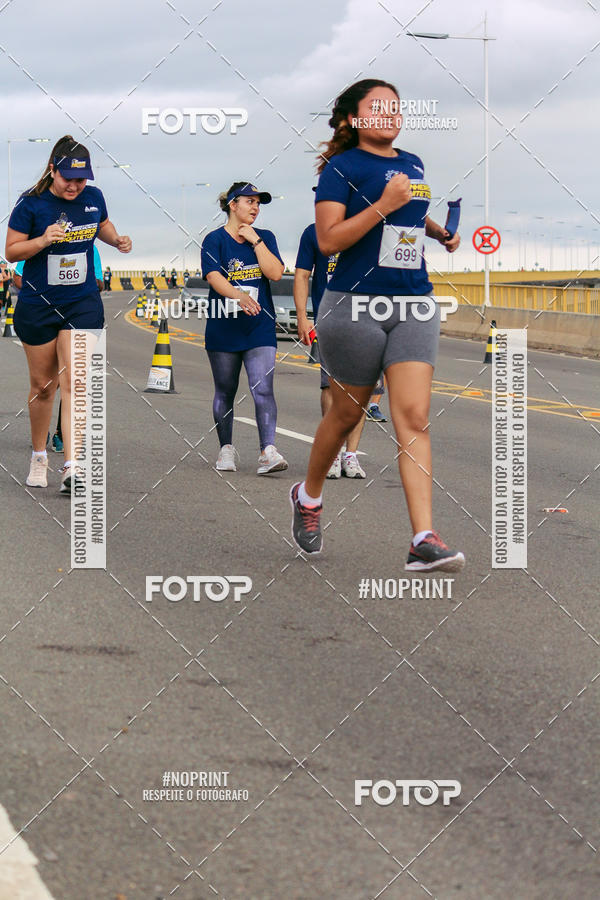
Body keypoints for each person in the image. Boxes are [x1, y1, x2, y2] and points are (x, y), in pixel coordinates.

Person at [290, 79, 465, 572]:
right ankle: (308, 496)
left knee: (413, 416)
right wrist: (383, 205)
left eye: (396, 107)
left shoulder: (413, 164)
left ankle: (423, 539)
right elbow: (328, 240)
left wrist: (439, 232)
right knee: (346, 415)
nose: (390, 114)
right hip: (354, 304)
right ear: (353, 119)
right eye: (378, 108)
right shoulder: (341, 170)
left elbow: (411, 216)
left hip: (414, 302)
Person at [5, 134, 132, 493]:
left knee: (75, 381)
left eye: (81, 179)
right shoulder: (30, 205)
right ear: (52, 170)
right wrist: (43, 240)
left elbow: (101, 224)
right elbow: (12, 251)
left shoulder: (93, 198)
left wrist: (118, 239)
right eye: (68, 179)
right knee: (43, 387)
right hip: (39, 304)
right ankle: (39, 454)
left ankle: (73, 466)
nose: (76, 186)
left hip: (82, 302)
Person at [200, 181, 288, 475]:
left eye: (258, 203)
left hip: (259, 328)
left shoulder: (265, 237)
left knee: (263, 388)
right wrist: (239, 296)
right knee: (225, 390)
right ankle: (226, 449)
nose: (255, 207)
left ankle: (268, 451)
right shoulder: (214, 240)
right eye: (249, 201)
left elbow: (275, 273)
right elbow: (214, 277)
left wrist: (256, 242)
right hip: (224, 328)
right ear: (232, 205)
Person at [294, 222, 366, 478]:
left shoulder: (368, 224)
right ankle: (333, 453)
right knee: (330, 387)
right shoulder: (313, 232)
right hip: (329, 319)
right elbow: (302, 275)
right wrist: (302, 317)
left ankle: (351, 456)